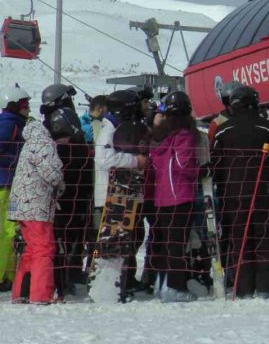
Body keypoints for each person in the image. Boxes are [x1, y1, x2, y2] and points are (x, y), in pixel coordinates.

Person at [212, 86, 269, 299]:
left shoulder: (224, 130)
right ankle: (266, 289)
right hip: (262, 192)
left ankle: (244, 289)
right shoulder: (267, 128)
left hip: (233, 195)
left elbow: (215, 165)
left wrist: (219, 191)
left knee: (240, 241)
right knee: (264, 240)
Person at [94, 89, 150, 293]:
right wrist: (136, 161)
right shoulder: (109, 128)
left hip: (129, 192)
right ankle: (111, 280)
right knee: (116, 240)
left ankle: (128, 276)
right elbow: (103, 159)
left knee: (134, 235)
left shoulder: (125, 127)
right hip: (112, 195)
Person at [41, 83, 93, 299]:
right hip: (68, 187)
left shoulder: (62, 121)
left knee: (73, 231)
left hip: (76, 185)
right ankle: (64, 277)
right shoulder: (57, 123)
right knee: (64, 233)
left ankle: (71, 271)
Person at [148, 91, 200, 302]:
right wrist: (199, 171)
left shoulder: (159, 136)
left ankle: (161, 284)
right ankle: (175, 287)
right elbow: (183, 163)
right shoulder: (184, 135)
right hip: (180, 193)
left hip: (161, 195)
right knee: (178, 242)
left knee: (165, 241)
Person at [8, 118, 64, 304]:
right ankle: (41, 294)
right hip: (36, 204)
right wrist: (61, 182)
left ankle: (21, 292)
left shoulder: (32, 139)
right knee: (44, 249)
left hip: (23, 204)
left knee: (31, 249)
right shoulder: (44, 142)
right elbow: (52, 174)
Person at [0, 83, 31, 292]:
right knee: (7, 230)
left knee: (9, 230)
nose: (27, 109)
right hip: (6, 185)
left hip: (8, 183)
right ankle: (4, 275)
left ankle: (8, 273)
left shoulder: (14, 123)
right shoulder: (10, 124)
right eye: (24, 105)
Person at [207, 80, 239, 147]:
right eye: (230, 101)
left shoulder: (251, 118)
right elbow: (211, 149)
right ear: (226, 103)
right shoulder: (217, 123)